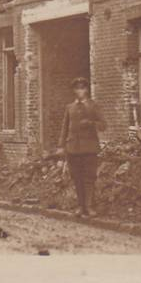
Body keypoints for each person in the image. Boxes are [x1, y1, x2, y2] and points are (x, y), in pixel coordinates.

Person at [57, 76, 107, 217]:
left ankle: (89, 206)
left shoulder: (93, 106)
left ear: (87, 90)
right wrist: (61, 146)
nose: (80, 91)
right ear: (74, 91)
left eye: (82, 88)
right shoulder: (69, 108)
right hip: (73, 148)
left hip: (90, 148)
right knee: (76, 177)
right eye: (77, 88)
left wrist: (91, 123)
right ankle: (80, 206)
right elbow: (64, 127)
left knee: (89, 177)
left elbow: (103, 125)